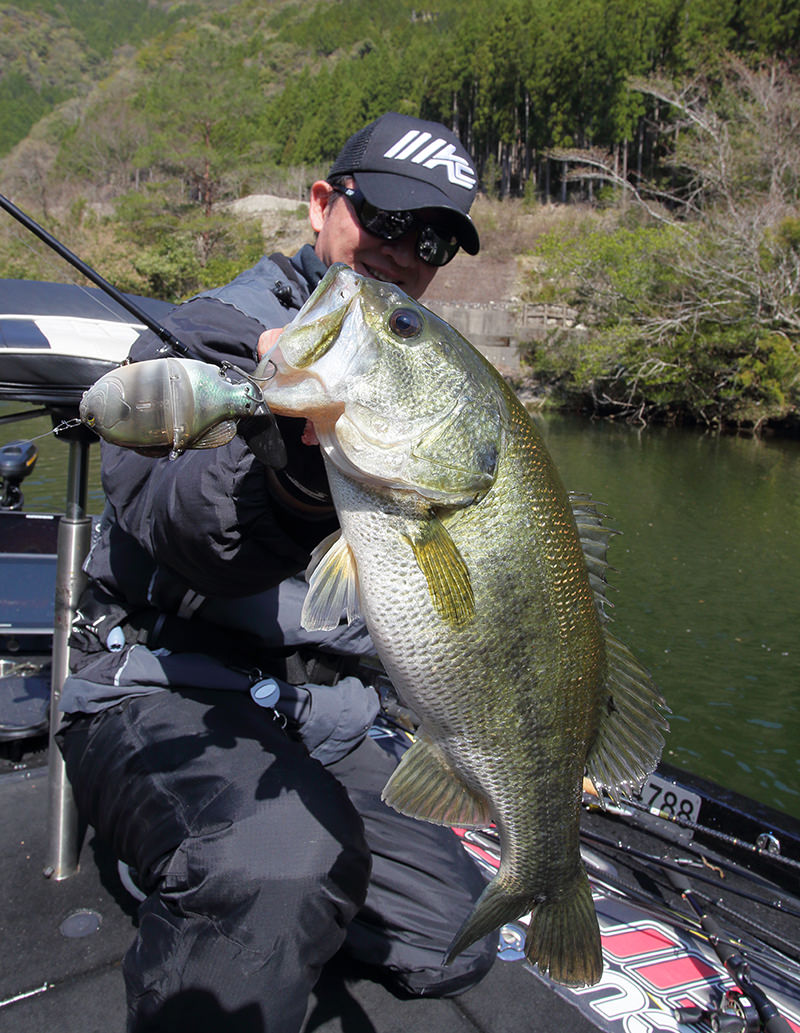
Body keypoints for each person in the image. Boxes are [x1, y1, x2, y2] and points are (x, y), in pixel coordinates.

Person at [58, 112, 494, 1033]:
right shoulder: (214, 331)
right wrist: (292, 473)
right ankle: (199, 866)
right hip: (166, 689)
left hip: (321, 716)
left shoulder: (415, 367)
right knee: (275, 865)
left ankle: (249, 881)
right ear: (324, 203)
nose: (404, 253)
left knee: (454, 933)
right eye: (386, 218)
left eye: (435, 241)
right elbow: (179, 524)